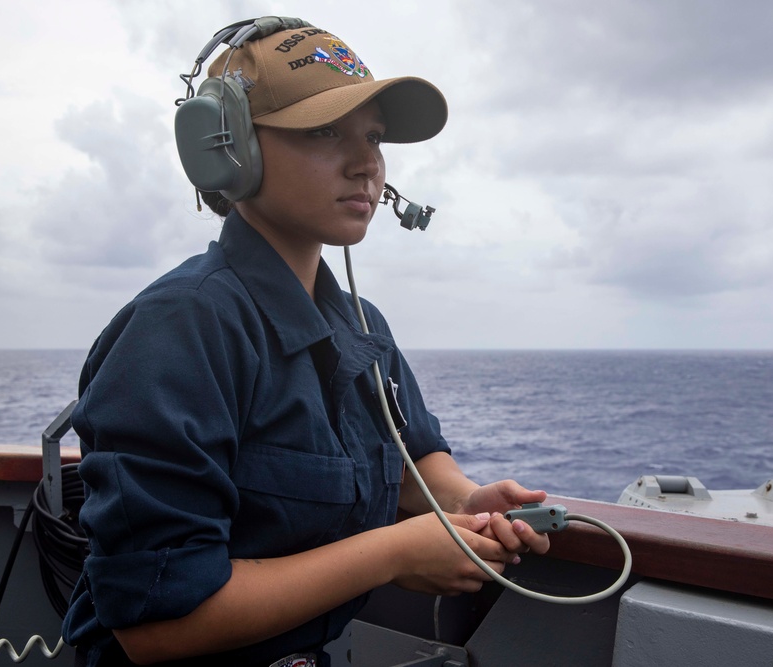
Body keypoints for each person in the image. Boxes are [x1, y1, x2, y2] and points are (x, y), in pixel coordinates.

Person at [61, 16, 550, 667]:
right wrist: (397, 551)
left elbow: (408, 454)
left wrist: (465, 501)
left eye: (373, 136)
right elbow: (157, 624)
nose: (367, 163)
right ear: (225, 146)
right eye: (324, 130)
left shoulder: (360, 323)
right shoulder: (181, 328)